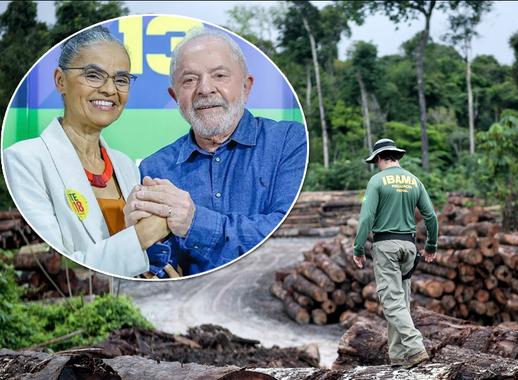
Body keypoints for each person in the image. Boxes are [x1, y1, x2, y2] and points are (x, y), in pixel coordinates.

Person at [124, 27, 307, 278]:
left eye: (219, 75)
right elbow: (162, 269)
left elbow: (291, 235)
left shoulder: (289, 141)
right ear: (175, 96)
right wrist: (137, 242)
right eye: (189, 80)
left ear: (246, 86)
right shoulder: (154, 168)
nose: (205, 89)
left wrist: (195, 222)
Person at [3, 26, 170, 277]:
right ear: (60, 80)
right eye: (93, 75)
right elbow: (52, 268)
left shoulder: (125, 166)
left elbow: (136, 259)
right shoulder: (24, 161)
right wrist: (142, 236)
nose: (110, 90)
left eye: (121, 79)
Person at [352, 138, 438, 368]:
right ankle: (397, 357)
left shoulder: (376, 181)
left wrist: (358, 248)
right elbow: (430, 216)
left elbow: (367, 218)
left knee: (391, 302)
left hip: (386, 246)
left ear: (380, 158)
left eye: (376, 161)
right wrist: (431, 245)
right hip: (409, 247)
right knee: (400, 302)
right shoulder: (414, 180)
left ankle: (415, 347)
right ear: (396, 156)